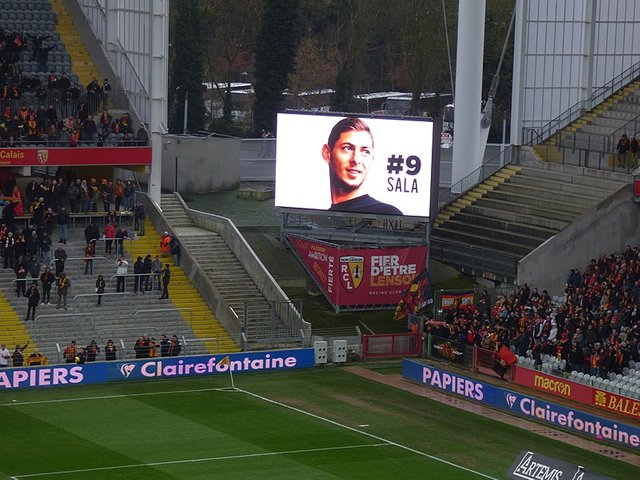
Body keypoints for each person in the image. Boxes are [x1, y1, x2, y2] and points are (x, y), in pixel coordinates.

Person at [322, 117, 402, 215]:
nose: (356, 159)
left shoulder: (387, 214)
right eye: (348, 148)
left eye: (365, 151)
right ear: (327, 153)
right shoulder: (321, 217)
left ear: (372, 158)